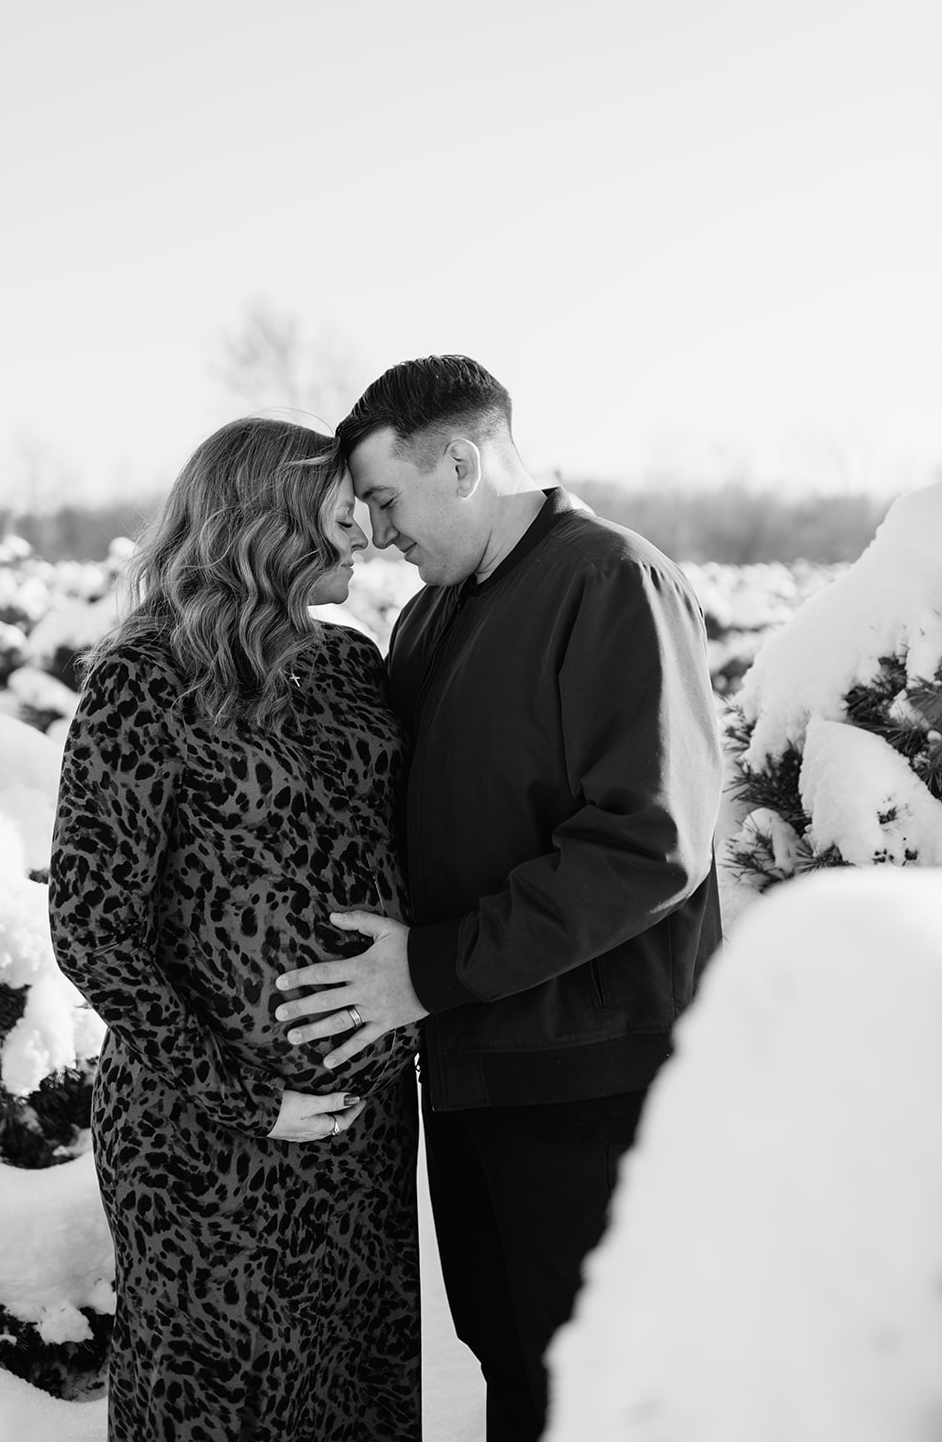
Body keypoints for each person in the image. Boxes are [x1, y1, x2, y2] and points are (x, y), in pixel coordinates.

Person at [274, 356, 724, 1442]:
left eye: (383, 499)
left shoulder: (608, 580)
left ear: (463, 461)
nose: (374, 534)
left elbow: (647, 845)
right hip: (474, 1074)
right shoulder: (429, 623)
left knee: (599, 1389)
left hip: (594, 1080)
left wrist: (427, 969)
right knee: (510, 1363)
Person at [48, 417, 422, 1442]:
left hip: (361, 1133)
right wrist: (252, 1099)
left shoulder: (352, 665)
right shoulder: (147, 676)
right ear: (269, 518)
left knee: (353, 1395)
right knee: (217, 1407)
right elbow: (91, 924)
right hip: (205, 1142)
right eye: (340, 506)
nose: (362, 531)